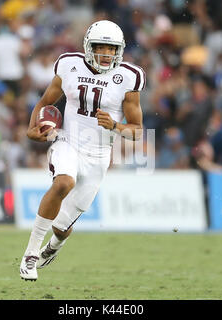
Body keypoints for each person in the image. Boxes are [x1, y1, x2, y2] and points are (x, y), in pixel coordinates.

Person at [19, 20, 145, 281]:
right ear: (89, 46)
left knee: (62, 227)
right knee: (63, 182)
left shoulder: (129, 77)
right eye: (101, 47)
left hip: (98, 156)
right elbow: (45, 102)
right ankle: (30, 254)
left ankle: (54, 246)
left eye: (111, 49)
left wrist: (116, 125)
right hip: (68, 141)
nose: (106, 54)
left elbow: (137, 130)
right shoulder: (68, 64)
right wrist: (32, 129)